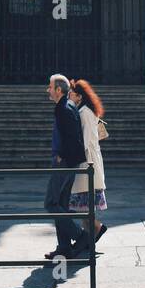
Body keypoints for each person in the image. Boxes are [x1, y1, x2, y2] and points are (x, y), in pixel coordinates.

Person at [44, 73, 87, 260]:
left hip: (65, 162)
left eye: (50, 87)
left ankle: (80, 236)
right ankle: (64, 247)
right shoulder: (65, 106)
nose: (48, 90)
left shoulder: (64, 108)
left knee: (51, 203)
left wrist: (62, 157)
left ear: (59, 90)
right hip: (68, 161)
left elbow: (73, 138)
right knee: (60, 203)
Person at [69, 78, 108, 247]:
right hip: (90, 160)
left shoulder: (84, 112)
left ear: (79, 96)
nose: (69, 96)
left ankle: (96, 229)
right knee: (84, 206)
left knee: (83, 205)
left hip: (87, 162)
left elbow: (84, 141)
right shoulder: (87, 110)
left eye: (71, 94)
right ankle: (88, 238)